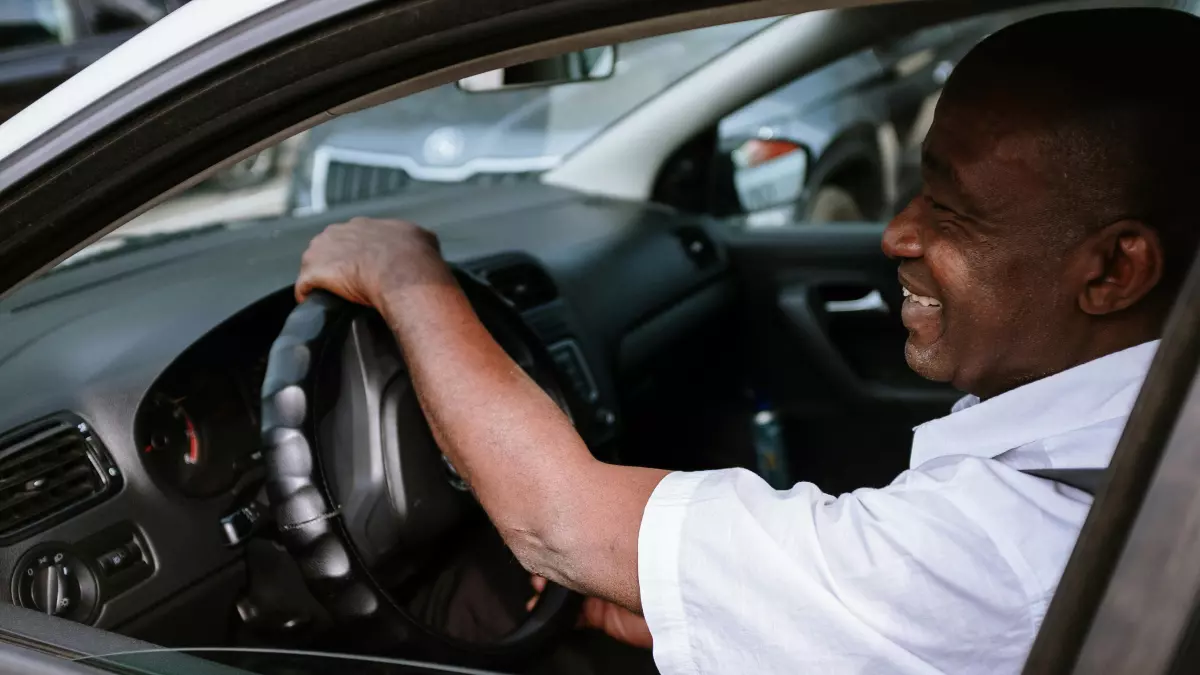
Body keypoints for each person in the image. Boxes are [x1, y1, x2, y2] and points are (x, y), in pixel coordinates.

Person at [293, 8, 1200, 674]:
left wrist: (403, 275)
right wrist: (725, 608)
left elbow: (553, 520)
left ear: (1115, 270)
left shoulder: (1004, 546)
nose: (897, 234)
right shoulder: (1138, 447)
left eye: (952, 208)